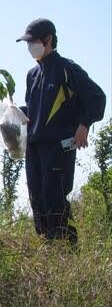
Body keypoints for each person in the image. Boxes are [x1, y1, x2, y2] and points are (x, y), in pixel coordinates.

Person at [16, 18, 106, 243]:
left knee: (53, 199)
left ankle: (67, 249)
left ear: (48, 40)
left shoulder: (67, 69)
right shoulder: (32, 75)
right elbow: (34, 110)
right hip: (34, 148)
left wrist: (84, 126)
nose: (30, 47)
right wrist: (15, 114)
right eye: (27, 43)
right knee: (37, 200)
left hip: (58, 147)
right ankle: (49, 249)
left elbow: (97, 97)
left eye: (33, 42)